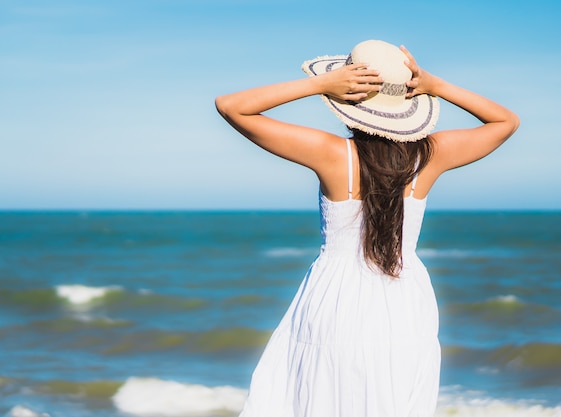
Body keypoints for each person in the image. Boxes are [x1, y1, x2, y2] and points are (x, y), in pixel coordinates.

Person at [215, 40, 519, 417]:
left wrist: (317, 85)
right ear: (408, 106)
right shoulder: (431, 155)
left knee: (324, 395)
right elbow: (506, 121)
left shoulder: (329, 153)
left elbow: (231, 106)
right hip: (403, 294)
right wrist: (437, 85)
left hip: (336, 293)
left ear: (346, 103)